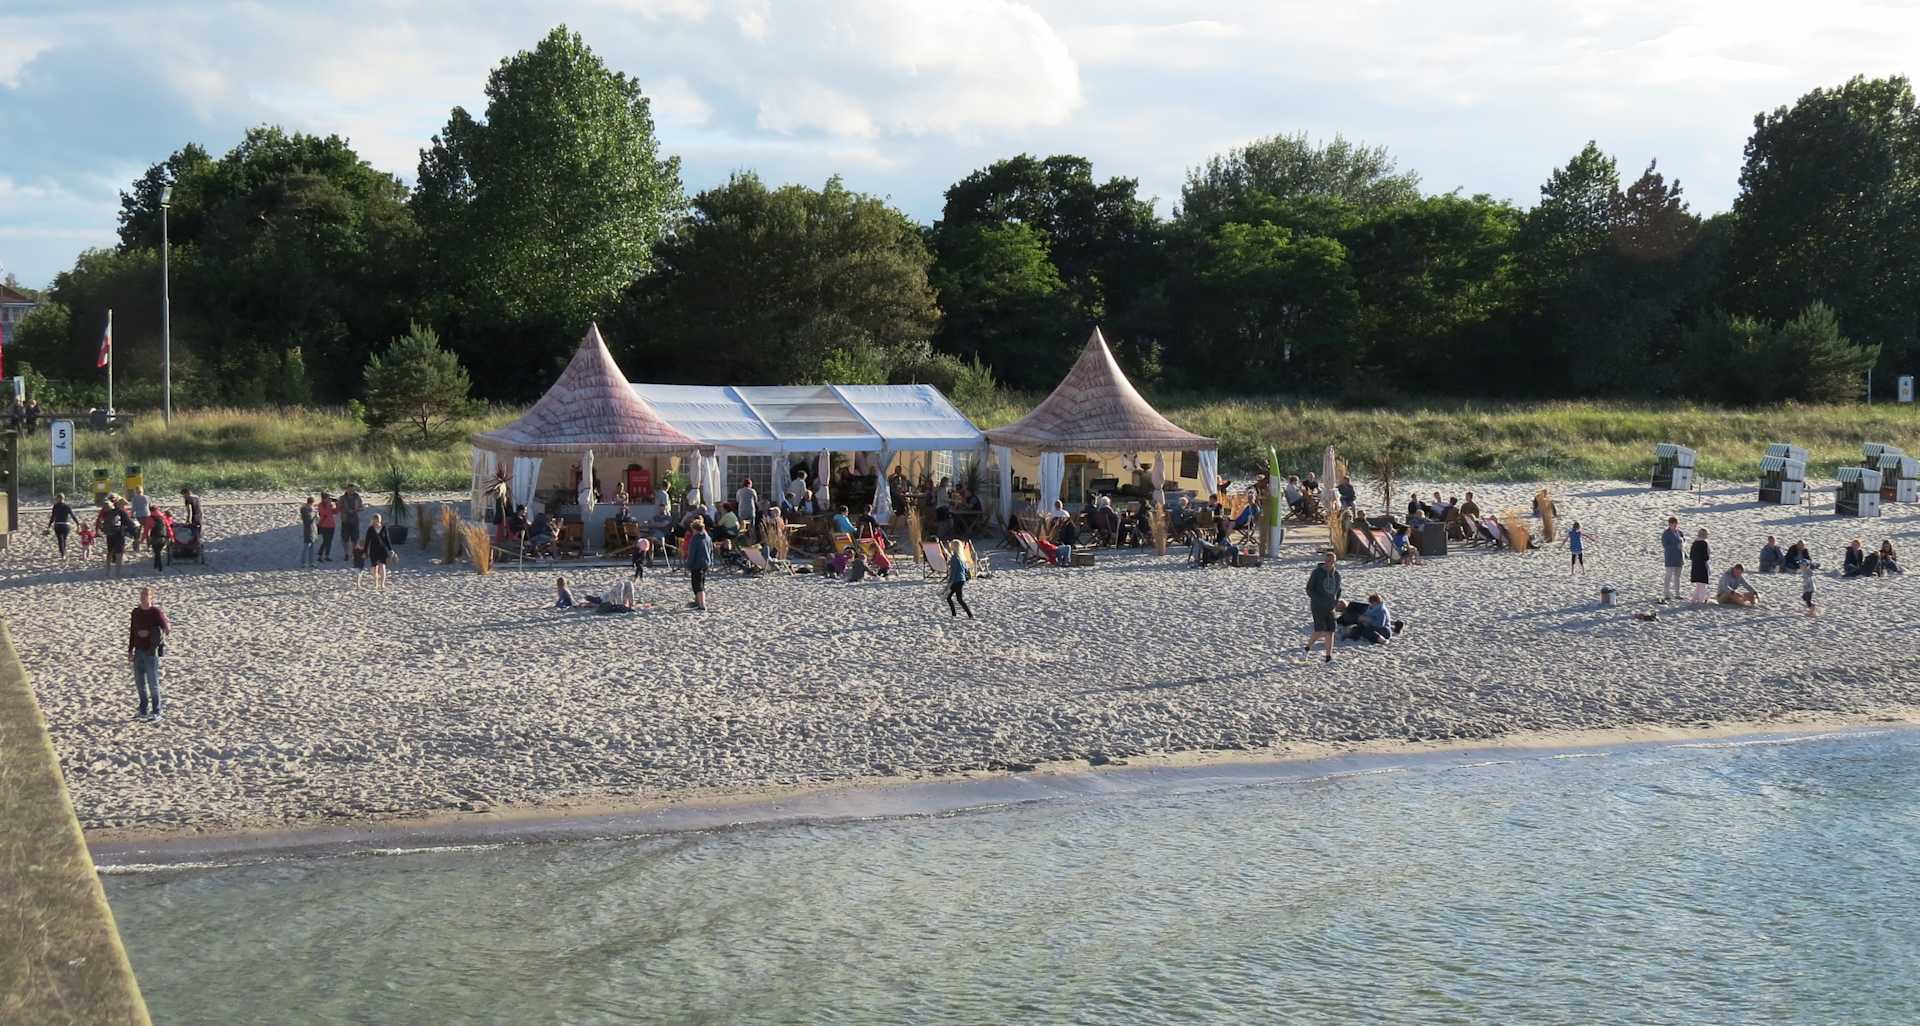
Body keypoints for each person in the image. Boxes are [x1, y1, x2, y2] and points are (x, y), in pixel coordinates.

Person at [128, 586, 170, 721]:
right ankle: (143, 710)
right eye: (142, 595)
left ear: (151, 597)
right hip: (138, 651)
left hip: (151, 652)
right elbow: (132, 632)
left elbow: (166, 629)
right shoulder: (136, 612)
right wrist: (130, 650)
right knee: (140, 683)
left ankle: (157, 711)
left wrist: (149, 632)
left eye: (146, 595)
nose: (143, 597)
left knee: (153, 683)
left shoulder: (155, 612)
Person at [1305, 551, 1342, 663]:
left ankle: (1328, 656)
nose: (1329, 562)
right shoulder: (1317, 572)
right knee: (1320, 629)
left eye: (1331, 560)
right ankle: (1307, 648)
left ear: (1334, 561)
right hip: (1317, 605)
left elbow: (1338, 590)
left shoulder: (1336, 575)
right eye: (1327, 560)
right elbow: (1309, 589)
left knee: (1331, 630)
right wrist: (1318, 599)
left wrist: (1336, 602)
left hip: (1330, 606)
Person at [686, 517, 714, 611]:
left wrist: (688, 565)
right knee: (701, 583)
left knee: (697, 585)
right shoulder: (708, 538)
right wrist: (711, 562)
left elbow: (692, 553)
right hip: (706, 563)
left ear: (695, 529)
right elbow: (711, 550)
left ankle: (702, 604)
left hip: (697, 564)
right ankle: (698, 601)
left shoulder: (695, 539)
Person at [944, 540, 973, 619]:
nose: (950, 547)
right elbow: (966, 569)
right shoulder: (962, 557)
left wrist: (949, 582)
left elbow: (954, 571)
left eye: (951, 546)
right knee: (956, 598)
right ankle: (964, 614)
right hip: (961, 580)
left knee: (953, 598)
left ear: (954, 547)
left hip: (956, 580)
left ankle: (964, 615)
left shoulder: (954, 557)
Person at [364, 513, 394, 589]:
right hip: (373, 550)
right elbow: (367, 541)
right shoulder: (370, 529)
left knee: (382, 567)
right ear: (373, 520)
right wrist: (365, 551)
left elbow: (387, 540)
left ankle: (382, 585)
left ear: (380, 520)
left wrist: (391, 549)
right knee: (374, 568)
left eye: (377, 520)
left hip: (382, 550)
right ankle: (376, 584)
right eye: (375, 520)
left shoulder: (384, 528)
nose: (376, 522)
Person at [1660, 517, 1685, 603]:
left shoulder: (1679, 532)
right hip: (1670, 557)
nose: (1675, 526)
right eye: (1673, 524)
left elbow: (1683, 541)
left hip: (1679, 557)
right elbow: (1665, 545)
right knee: (1669, 576)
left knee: (1677, 576)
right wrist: (1676, 545)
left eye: (1676, 524)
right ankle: (1666, 594)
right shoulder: (1666, 533)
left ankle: (1677, 594)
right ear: (1669, 524)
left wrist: (1682, 545)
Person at [48, 492, 74, 557]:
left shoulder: (55, 506)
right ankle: (63, 552)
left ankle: (62, 553)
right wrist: (77, 523)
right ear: (64, 498)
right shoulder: (67, 506)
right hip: (66, 525)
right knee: (64, 539)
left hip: (58, 524)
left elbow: (53, 517)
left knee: (60, 539)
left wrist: (49, 525)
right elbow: (73, 515)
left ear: (58, 498)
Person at [146, 505, 173, 572]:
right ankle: (156, 566)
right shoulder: (163, 517)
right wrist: (171, 536)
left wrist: (142, 540)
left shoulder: (150, 518)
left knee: (157, 552)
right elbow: (168, 528)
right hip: (163, 538)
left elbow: (146, 530)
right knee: (158, 552)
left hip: (154, 537)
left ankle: (159, 567)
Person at [340, 483, 365, 553]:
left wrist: (356, 510)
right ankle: (346, 553)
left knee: (355, 539)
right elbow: (339, 508)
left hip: (354, 520)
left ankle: (354, 552)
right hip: (345, 520)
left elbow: (362, 507)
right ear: (347, 489)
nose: (351, 491)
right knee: (345, 539)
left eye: (352, 490)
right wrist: (346, 510)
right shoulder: (342, 498)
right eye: (349, 489)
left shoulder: (357, 497)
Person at [1688, 528, 1712, 603]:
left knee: (1699, 585)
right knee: (1702, 585)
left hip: (1695, 566)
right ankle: (1700, 600)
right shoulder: (1704, 543)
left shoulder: (1694, 543)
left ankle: (1694, 599)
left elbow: (1691, 556)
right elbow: (1706, 557)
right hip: (1702, 566)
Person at [316, 492, 338, 561]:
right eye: (328, 498)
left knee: (329, 541)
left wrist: (337, 504)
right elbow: (325, 513)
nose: (329, 499)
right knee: (325, 541)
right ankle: (320, 555)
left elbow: (335, 512)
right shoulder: (321, 505)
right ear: (324, 499)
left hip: (331, 525)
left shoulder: (329, 505)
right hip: (324, 525)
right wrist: (329, 504)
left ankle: (327, 555)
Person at [299, 496, 318, 567]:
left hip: (312, 530)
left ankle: (311, 562)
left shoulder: (308, 510)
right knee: (307, 546)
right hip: (309, 530)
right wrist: (315, 515)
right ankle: (304, 562)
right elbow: (309, 520)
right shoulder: (307, 510)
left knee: (311, 546)